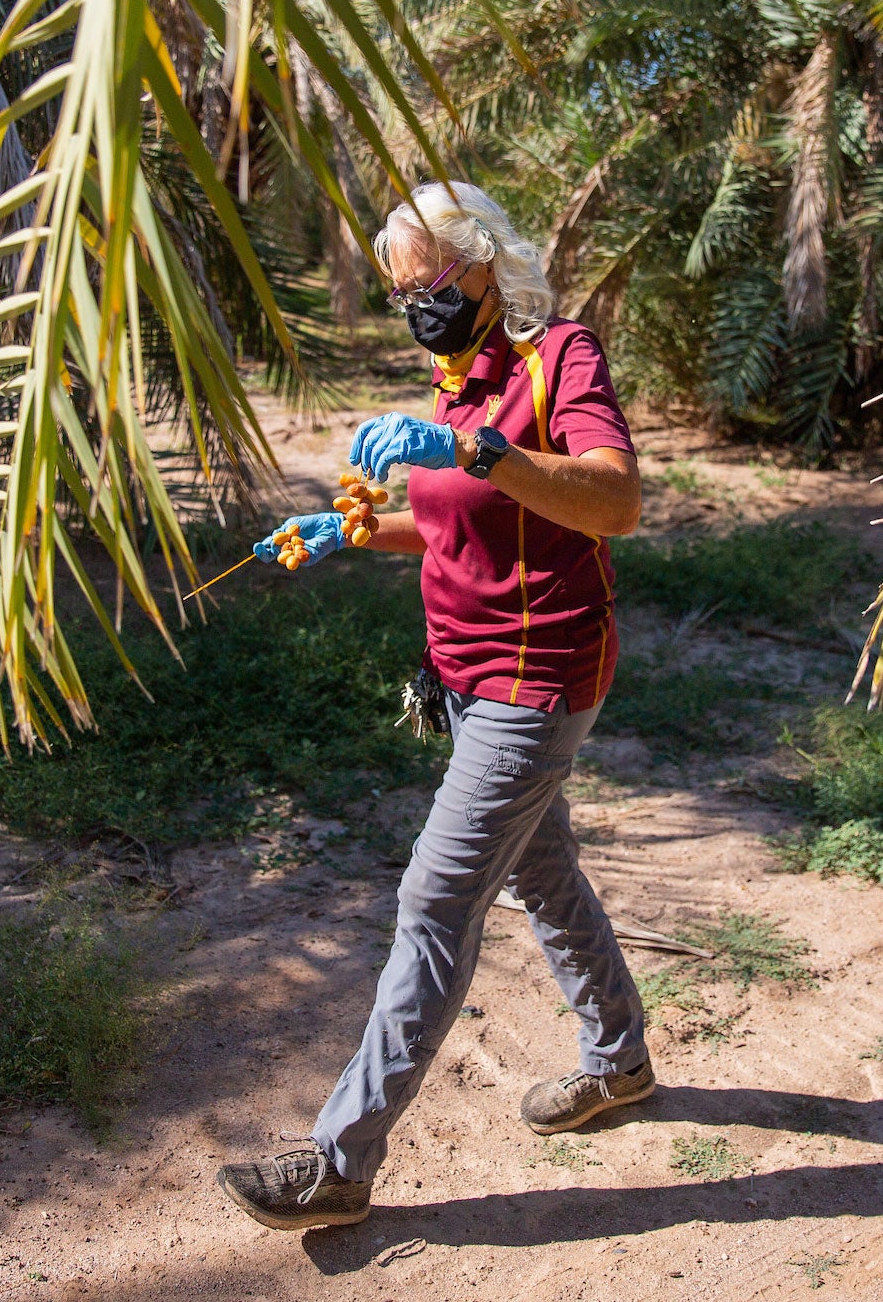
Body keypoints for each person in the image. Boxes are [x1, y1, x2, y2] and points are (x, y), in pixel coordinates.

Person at [215, 182, 655, 1231]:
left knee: (436, 899)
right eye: (404, 289)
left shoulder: (560, 356)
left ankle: (339, 1159)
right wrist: (353, 532)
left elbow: (614, 500)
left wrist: (469, 448)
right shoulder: (454, 376)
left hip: (538, 675)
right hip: (461, 673)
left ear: (485, 263)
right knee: (542, 875)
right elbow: (467, 522)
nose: (419, 304)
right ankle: (622, 1058)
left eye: (430, 282)